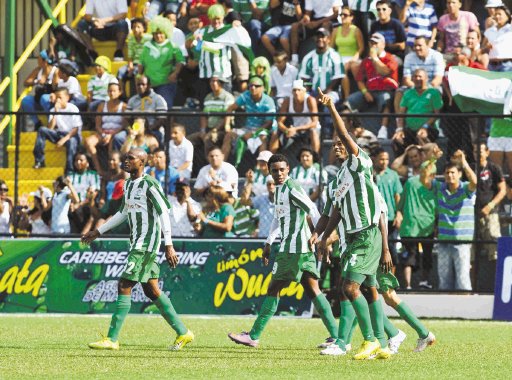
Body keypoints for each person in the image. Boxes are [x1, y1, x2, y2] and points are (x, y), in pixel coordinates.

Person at [82, 148, 194, 351]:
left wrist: (168, 244)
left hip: (146, 244)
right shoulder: (129, 185)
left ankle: (112, 339)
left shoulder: (150, 184)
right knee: (151, 290)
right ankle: (183, 332)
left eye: (131, 158)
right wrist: (98, 232)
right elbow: (123, 213)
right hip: (137, 242)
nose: (126, 161)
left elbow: (163, 214)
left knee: (124, 284)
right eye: (125, 158)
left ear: (142, 162)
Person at [228, 153, 338, 348]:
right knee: (313, 290)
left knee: (273, 289)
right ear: (269, 172)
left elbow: (313, 210)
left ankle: (253, 336)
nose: (278, 173)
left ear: (288, 169)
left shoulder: (292, 188)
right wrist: (269, 242)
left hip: (293, 249)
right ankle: (337, 337)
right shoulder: (279, 190)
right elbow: (279, 219)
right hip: (302, 248)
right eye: (274, 170)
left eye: (281, 169)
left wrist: (322, 238)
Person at [314, 89, 391, 360]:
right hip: (354, 237)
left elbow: (346, 133)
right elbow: (334, 212)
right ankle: (382, 343)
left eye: (341, 143)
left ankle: (369, 339)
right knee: (369, 290)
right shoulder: (342, 177)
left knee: (348, 288)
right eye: (335, 144)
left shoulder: (360, 163)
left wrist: (331, 107)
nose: (337, 145)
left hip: (366, 234)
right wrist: (322, 236)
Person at [421, 150, 477, 291]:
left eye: (453, 172)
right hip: (444, 241)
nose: (449, 175)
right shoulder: (440, 187)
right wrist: (433, 159)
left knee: (463, 280)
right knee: (444, 280)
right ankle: (446, 312)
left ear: (459, 174)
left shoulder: (465, 188)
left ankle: (465, 311)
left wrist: (463, 162)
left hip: (462, 241)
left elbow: (475, 181)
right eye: (447, 173)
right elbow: (424, 179)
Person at [345, 32, 399, 140]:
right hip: (370, 90)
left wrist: (375, 58)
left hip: (386, 90)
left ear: (383, 45)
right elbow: (359, 80)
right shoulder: (366, 60)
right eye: (371, 43)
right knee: (348, 103)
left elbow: (385, 71)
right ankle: (348, 130)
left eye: (376, 43)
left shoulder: (390, 58)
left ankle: (383, 129)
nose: (373, 46)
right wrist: (365, 92)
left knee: (386, 100)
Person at [224, 76, 277, 163]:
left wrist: (253, 133)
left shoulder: (269, 101)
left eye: (256, 86)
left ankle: (260, 168)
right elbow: (230, 108)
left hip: (262, 130)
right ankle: (221, 166)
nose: (253, 88)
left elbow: (269, 123)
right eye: (251, 86)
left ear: (263, 88)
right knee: (229, 135)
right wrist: (227, 124)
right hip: (246, 128)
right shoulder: (246, 95)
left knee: (262, 138)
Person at [394, 68, 443, 155]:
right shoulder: (408, 93)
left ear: (426, 78)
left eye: (420, 76)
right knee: (397, 140)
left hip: (429, 129)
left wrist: (425, 127)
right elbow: (401, 114)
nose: (417, 79)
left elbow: (437, 114)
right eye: (415, 77)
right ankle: (403, 166)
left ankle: (427, 165)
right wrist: (399, 129)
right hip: (410, 129)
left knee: (422, 138)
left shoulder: (434, 93)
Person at [139, 16, 184, 109]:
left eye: (161, 33)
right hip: (149, 85)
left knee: (164, 108)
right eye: (156, 33)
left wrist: (175, 73)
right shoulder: (146, 46)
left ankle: (167, 124)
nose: (158, 36)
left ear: (165, 33)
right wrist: (140, 75)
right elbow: (141, 63)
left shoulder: (173, 46)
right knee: (148, 108)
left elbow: (181, 61)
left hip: (166, 84)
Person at [33, 87, 82, 171]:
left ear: (67, 98)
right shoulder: (53, 109)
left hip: (71, 135)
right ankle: (40, 161)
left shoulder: (73, 108)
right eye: (57, 97)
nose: (58, 100)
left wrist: (64, 140)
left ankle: (69, 169)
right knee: (42, 130)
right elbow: (50, 128)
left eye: (60, 97)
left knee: (71, 141)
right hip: (59, 133)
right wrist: (55, 112)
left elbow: (76, 129)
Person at [188, 72, 235, 158]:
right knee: (187, 141)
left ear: (221, 83)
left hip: (222, 131)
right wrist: (202, 131)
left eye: (215, 81)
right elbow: (204, 116)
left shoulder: (228, 97)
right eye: (211, 81)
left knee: (208, 139)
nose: (213, 83)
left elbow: (226, 117)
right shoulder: (208, 97)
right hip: (208, 129)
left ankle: (211, 166)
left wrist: (214, 130)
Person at [393, 35, 444, 114]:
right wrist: (417, 90)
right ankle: (399, 123)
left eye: (419, 45)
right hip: (413, 86)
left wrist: (424, 89)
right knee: (399, 92)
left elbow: (437, 80)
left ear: (427, 45)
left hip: (431, 86)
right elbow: (407, 80)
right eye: (415, 46)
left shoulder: (437, 56)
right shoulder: (408, 57)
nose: (416, 48)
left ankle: (432, 123)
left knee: (437, 92)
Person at [84, 81, 127, 175]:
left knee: (113, 142)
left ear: (120, 92)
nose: (112, 93)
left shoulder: (123, 106)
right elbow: (98, 124)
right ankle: (99, 170)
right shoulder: (102, 105)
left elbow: (124, 125)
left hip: (115, 132)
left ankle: (112, 171)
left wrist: (111, 135)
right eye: (110, 91)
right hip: (102, 132)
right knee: (88, 141)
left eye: (114, 91)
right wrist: (102, 133)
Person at [475, 142, 506, 261]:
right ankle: (473, 280)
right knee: (471, 256)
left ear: (487, 152)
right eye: (475, 151)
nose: (477, 154)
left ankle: (496, 279)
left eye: (480, 151)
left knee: (495, 251)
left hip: (491, 213)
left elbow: (502, 190)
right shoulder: (470, 168)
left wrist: (490, 206)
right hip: (473, 215)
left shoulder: (494, 168)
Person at [272, 79, 321, 153]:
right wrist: (286, 130)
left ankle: (316, 160)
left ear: (304, 91)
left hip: (309, 128)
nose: (296, 92)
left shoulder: (310, 100)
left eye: (299, 90)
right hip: (294, 129)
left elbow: (314, 123)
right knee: (275, 133)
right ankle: (270, 160)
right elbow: (279, 122)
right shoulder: (287, 101)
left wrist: (296, 129)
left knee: (314, 132)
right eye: (294, 90)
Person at [298, 27, 344, 105]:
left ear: (329, 39)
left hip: (331, 92)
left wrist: (320, 96)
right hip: (313, 92)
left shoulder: (335, 56)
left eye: (323, 37)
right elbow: (304, 79)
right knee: (302, 101)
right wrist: (308, 92)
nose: (320, 39)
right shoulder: (308, 57)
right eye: (318, 37)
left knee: (328, 103)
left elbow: (336, 81)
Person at [373, 148, 402, 269]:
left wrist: (398, 213)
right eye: (381, 159)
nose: (384, 162)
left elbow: (397, 195)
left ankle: (390, 283)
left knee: (391, 250)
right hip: (373, 219)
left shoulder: (393, 175)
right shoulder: (369, 174)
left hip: (389, 218)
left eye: (386, 159)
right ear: (375, 159)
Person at [119, 75, 168, 148]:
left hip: (153, 130)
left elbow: (162, 119)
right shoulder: (132, 100)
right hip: (135, 130)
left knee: (158, 137)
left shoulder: (158, 99)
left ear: (149, 85)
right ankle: (122, 158)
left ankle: (157, 157)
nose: (140, 87)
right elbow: (126, 119)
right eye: (138, 84)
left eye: (143, 84)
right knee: (118, 137)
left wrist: (149, 129)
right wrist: (130, 130)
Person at [289, 0, 341, 67]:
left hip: (331, 20)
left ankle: (325, 57)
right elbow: (308, 13)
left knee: (325, 26)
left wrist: (317, 23)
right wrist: (306, 19)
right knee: (294, 26)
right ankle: (295, 60)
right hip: (315, 20)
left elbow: (335, 15)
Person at [330, 6, 364, 100]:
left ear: (351, 17)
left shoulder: (356, 30)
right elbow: (331, 47)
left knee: (343, 68)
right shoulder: (336, 30)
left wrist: (354, 58)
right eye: (341, 15)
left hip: (352, 57)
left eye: (345, 15)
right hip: (339, 58)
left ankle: (347, 98)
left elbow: (361, 48)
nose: (342, 17)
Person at [21, 50, 59, 129]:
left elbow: (56, 87)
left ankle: (51, 121)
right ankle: (37, 123)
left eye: (39, 59)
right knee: (25, 100)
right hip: (38, 99)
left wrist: (48, 83)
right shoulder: (38, 70)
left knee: (44, 98)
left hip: (51, 100)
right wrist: (36, 81)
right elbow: (26, 82)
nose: (38, 61)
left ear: (45, 61)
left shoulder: (55, 71)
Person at [117, 17, 152, 96]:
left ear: (144, 28)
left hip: (145, 64)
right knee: (120, 72)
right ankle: (122, 95)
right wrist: (130, 66)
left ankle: (139, 95)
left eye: (138, 27)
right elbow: (130, 55)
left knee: (137, 73)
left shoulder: (149, 39)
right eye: (134, 27)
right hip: (134, 63)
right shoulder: (131, 38)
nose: (136, 29)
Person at [67, 152, 101, 234]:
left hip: (88, 205)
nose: (78, 162)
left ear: (87, 163)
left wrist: (78, 204)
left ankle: (82, 238)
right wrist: (72, 203)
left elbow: (94, 194)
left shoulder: (93, 175)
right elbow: (68, 192)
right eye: (76, 160)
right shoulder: (71, 176)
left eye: (81, 160)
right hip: (73, 205)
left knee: (85, 212)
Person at [482, 4, 512, 72]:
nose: (497, 16)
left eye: (500, 14)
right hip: (491, 65)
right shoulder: (490, 30)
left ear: (507, 16)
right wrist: (487, 47)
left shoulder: (510, 29)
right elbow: (482, 48)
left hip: (507, 65)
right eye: (495, 14)